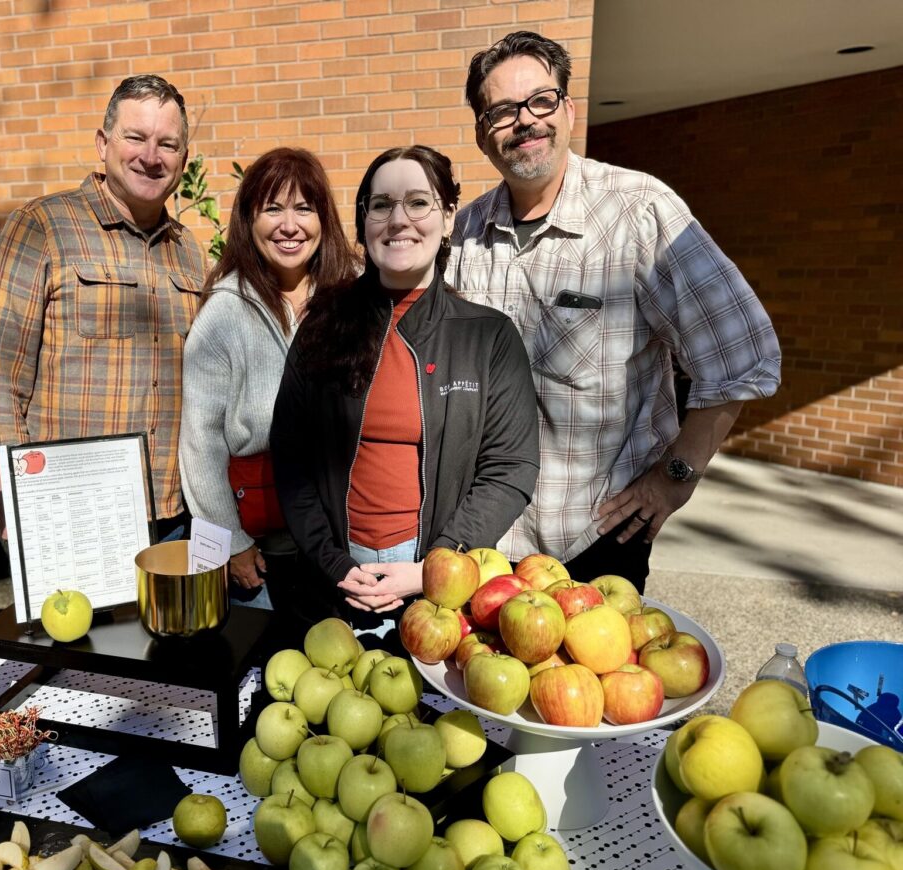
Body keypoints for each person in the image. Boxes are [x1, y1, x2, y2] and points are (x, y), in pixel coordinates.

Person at [449, 32, 781, 592]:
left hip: (595, 544)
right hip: (485, 543)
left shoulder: (639, 212)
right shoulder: (467, 233)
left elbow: (743, 352)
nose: (525, 121)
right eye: (502, 111)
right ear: (483, 135)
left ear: (569, 110)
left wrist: (676, 478)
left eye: (540, 101)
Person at [271, 146, 540, 630]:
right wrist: (336, 565)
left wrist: (432, 570)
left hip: (437, 593)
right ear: (363, 222)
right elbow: (291, 458)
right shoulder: (322, 327)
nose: (399, 220)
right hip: (332, 581)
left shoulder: (488, 338)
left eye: (418, 202)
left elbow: (510, 468)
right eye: (381, 205)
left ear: (449, 217)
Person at [0, 75, 206, 543]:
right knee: (74, 622)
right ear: (103, 143)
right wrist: (10, 486)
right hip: (66, 504)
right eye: (134, 137)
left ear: (183, 160)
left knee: (173, 622)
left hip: (174, 513)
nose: (150, 156)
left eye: (167, 144)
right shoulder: (42, 227)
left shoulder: (190, 253)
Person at [179, 148, 357, 619]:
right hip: (263, 544)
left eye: (304, 207)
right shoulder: (224, 312)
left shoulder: (352, 298)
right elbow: (200, 441)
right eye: (272, 208)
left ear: (324, 217)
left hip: (347, 536)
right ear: (248, 220)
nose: (289, 225)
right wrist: (229, 542)